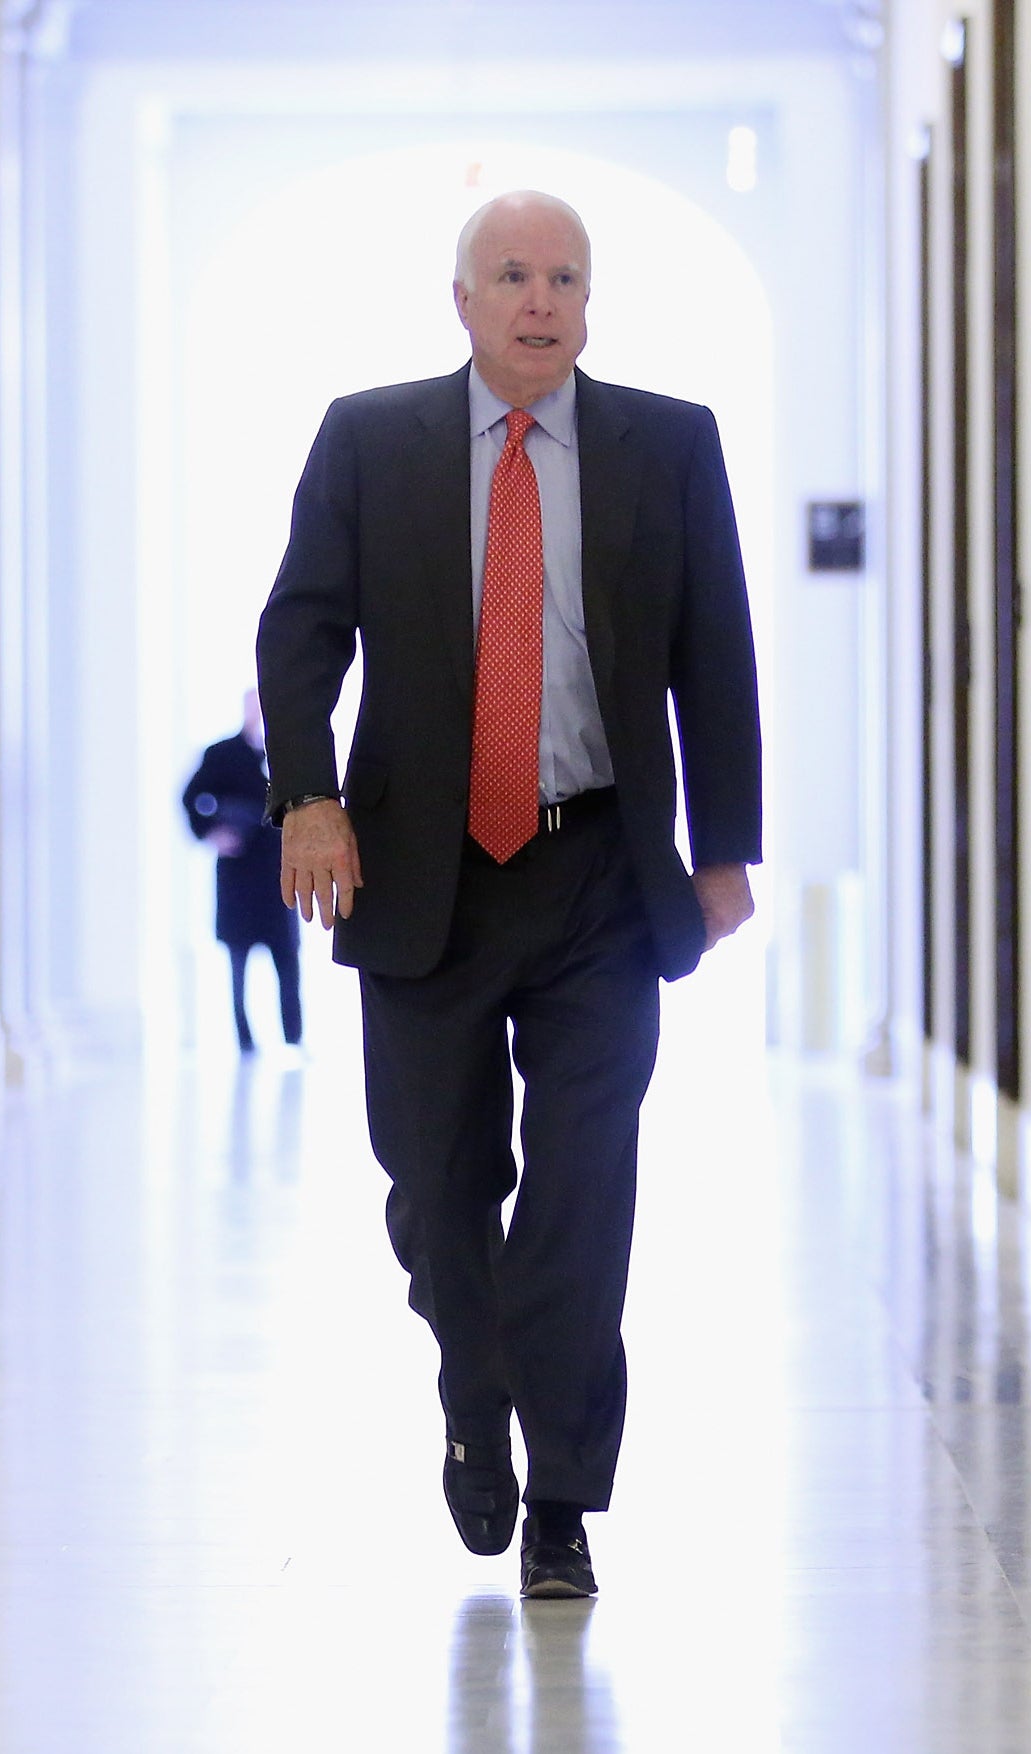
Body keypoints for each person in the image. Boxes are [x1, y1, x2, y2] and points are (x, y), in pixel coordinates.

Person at [254, 190, 760, 1599]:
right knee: (434, 1181)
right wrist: (310, 799)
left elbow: (713, 647)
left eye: (565, 279)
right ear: (461, 299)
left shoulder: (666, 444)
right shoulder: (371, 439)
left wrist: (723, 846)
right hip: (421, 872)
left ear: (588, 305)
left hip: (597, 866)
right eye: (512, 276)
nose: (540, 301)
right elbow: (300, 629)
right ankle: (473, 1397)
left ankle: (560, 1495)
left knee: (585, 1183)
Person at [183, 691, 303, 1053]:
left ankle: (293, 1038)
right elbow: (190, 798)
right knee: (238, 960)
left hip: (276, 870)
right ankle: (244, 1041)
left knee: (286, 957)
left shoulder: (285, 754)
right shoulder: (221, 754)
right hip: (238, 874)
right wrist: (212, 834)